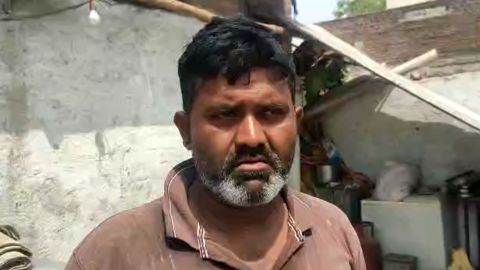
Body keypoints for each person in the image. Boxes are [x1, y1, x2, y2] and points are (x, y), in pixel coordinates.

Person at [65, 16, 366, 270]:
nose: (252, 137)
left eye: (271, 113)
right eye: (225, 114)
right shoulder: (110, 255)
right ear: (185, 131)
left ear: (296, 124)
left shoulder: (334, 230)